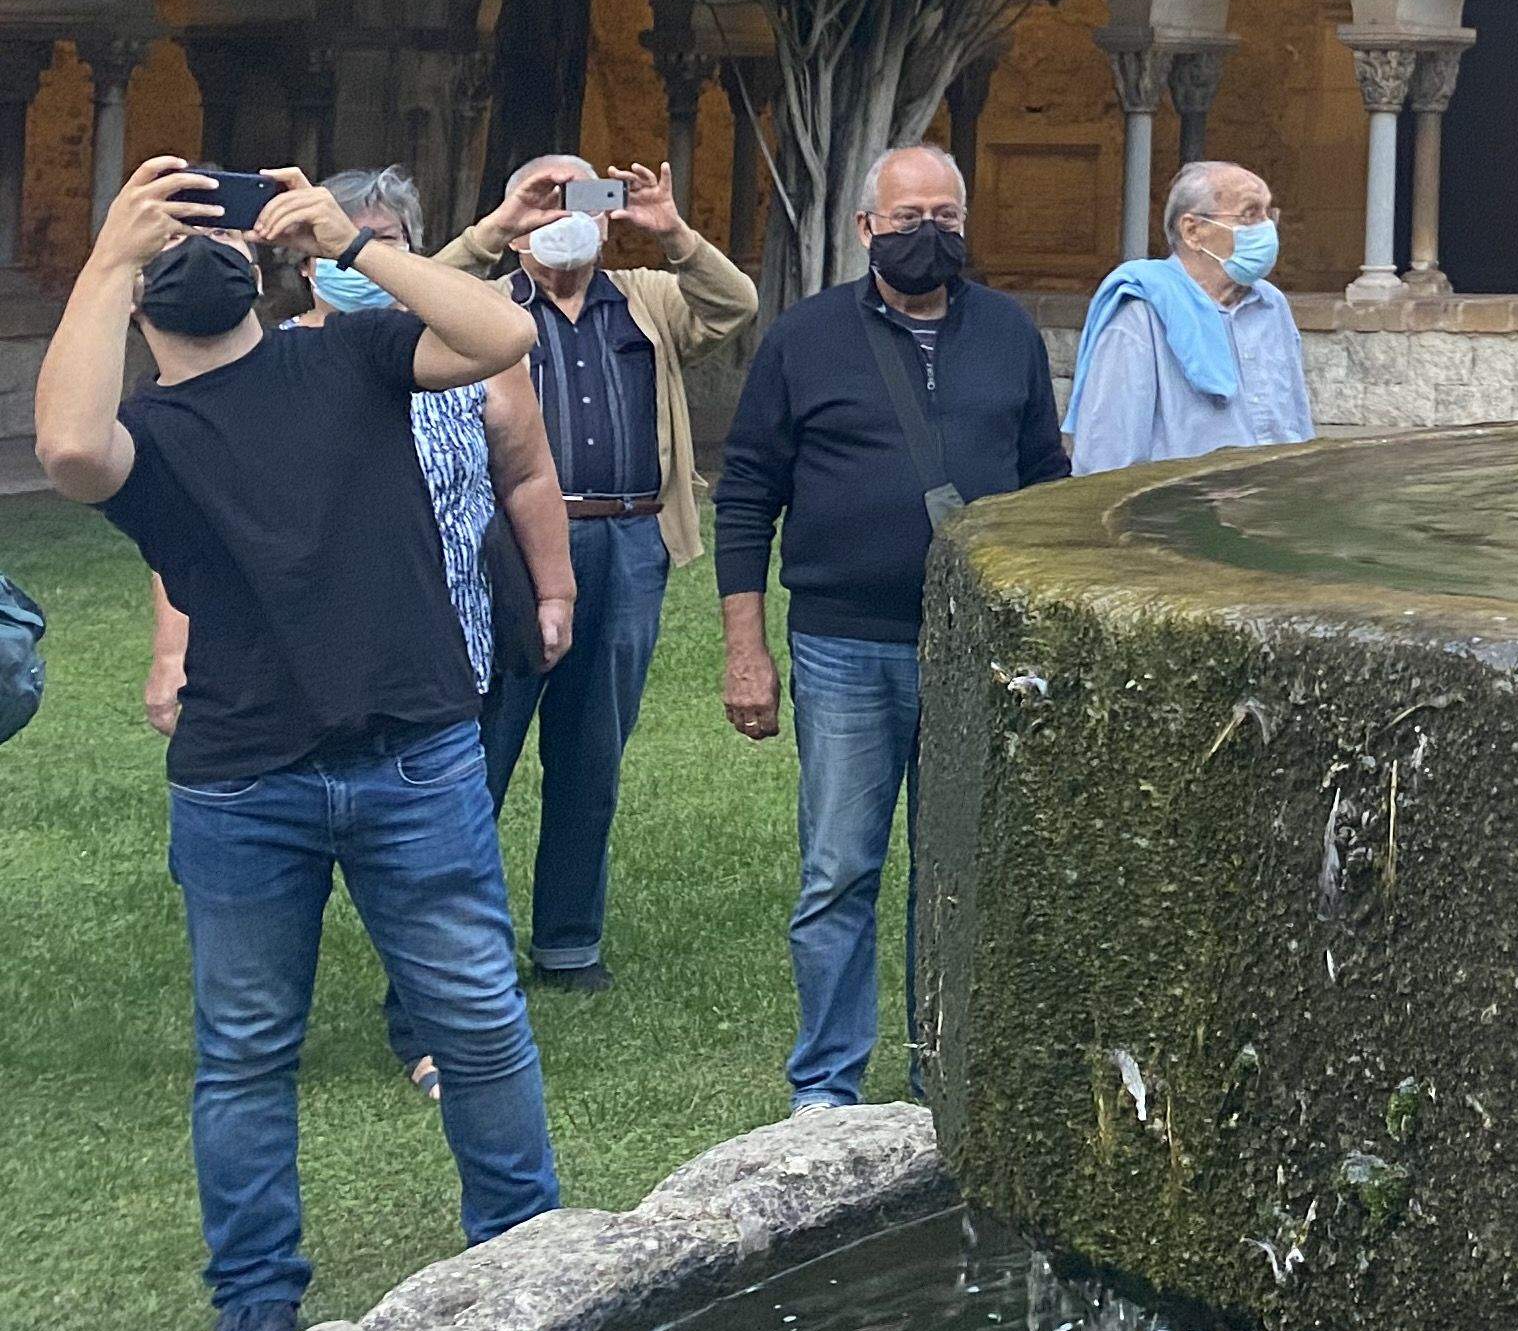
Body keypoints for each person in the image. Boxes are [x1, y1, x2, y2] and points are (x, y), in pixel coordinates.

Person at [33, 156, 561, 1331]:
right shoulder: (142, 441)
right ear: (144, 306)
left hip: (414, 752)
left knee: (478, 1021)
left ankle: (533, 1256)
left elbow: (498, 329)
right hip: (242, 785)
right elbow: (61, 439)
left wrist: (353, 245)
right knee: (246, 1052)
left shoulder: (347, 355)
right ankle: (258, 1307)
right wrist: (107, 257)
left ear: (264, 274)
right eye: (165, 252)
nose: (190, 251)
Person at [140, 166, 577, 1097]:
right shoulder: (263, 372)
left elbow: (525, 460)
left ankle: (426, 1026)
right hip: (286, 690)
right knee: (254, 1037)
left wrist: (554, 588)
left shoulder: (408, 344)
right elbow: (182, 525)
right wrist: (170, 651)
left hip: (445, 650)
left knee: (457, 883)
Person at [713, 145, 1062, 1109]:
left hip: (972, 652)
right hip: (844, 644)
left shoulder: (1008, 334)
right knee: (838, 867)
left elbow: (1045, 485)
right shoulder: (805, 339)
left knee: (954, 868)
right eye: (907, 218)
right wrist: (748, 650)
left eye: (945, 216)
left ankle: (940, 1068)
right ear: (867, 228)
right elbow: (746, 498)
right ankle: (825, 1084)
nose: (928, 235)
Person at [435, 154, 759, 992]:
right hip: (510, 550)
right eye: (545, 197)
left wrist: (673, 233)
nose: (561, 214)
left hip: (627, 543)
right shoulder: (484, 303)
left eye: (579, 197)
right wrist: (495, 230)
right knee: (485, 746)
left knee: (592, 752)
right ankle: (459, 954)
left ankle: (568, 944)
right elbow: (406, 303)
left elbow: (736, 304)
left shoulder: (644, 299)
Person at [1066, 159, 1317, 473]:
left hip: (1273, 506)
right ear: (1193, 231)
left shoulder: (1271, 304)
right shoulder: (1140, 313)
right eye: (1250, 213)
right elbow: (1108, 456)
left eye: (1269, 214)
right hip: (1185, 512)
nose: (1267, 228)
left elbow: (1296, 419)